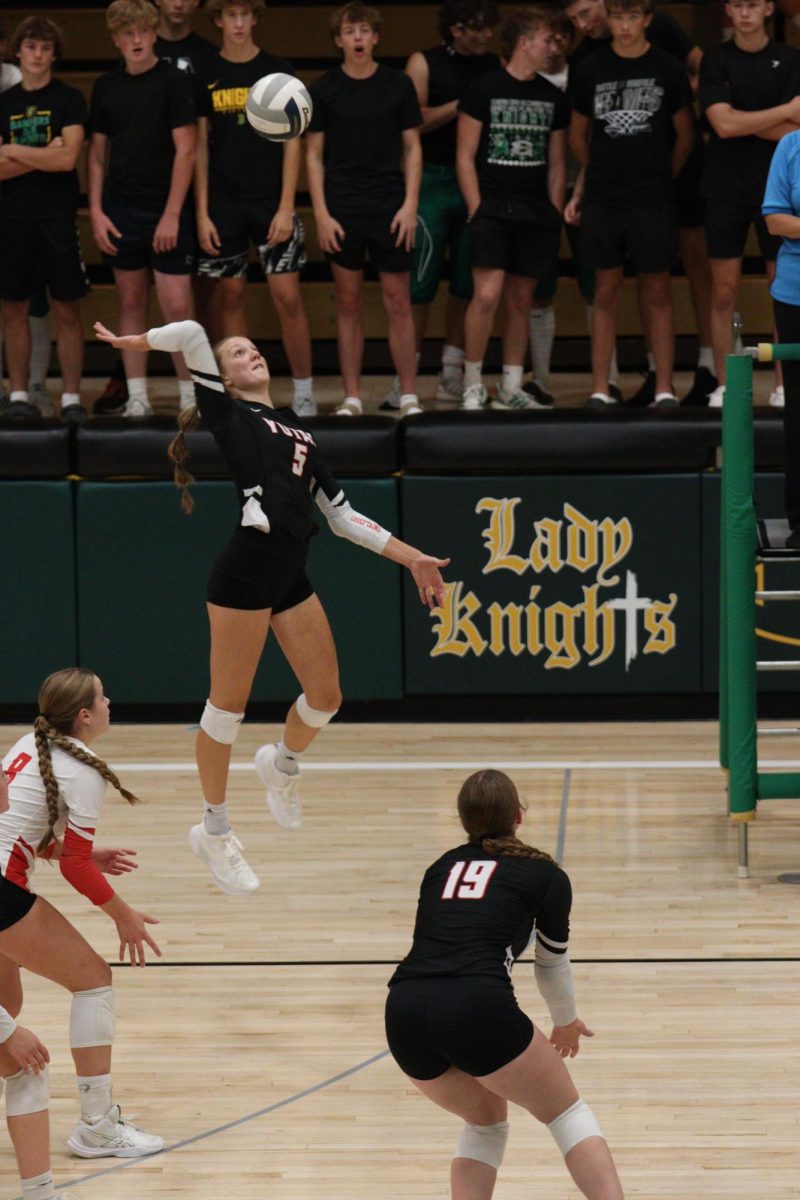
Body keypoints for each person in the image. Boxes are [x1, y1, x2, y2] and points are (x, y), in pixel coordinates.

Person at [93, 316, 449, 896]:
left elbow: (341, 516)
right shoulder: (228, 413)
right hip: (244, 573)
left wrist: (412, 558)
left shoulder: (298, 432)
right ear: (223, 378)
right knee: (226, 710)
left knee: (327, 697)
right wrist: (136, 344)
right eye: (237, 352)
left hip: (289, 573)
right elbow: (186, 333)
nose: (250, 354)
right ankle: (213, 830)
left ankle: (281, 764)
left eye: (254, 348)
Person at [385, 769, 624, 1200]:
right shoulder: (544, 875)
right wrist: (565, 1021)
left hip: (404, 1012)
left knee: (486, 1121)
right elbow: (551, 963)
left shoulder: (440, 868)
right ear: (518, 815)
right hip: (476, 1005)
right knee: (566, 1112)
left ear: (464, 821)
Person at [0, 667, 164, 1173]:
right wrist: (123, 916)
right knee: (93, 980)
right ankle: (97, 1126)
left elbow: (23, 833)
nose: (111, 700)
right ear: (85, 715)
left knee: (8, 1005)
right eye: (102, 696)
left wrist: (87, 855)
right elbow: (71, 864)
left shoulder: (28, 742)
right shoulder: (85, 768)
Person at [562, 0, 714, 407]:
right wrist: (599, 172)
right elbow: (577, 135)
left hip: (653, 196)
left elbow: (685, 134)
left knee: (657, 288)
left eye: (632, 17)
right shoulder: (591, 68)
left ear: (648, 20)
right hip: (605, 197)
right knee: (605, 289)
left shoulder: (666, 67)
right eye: (617, 17)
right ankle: (600, 386)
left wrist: (664, 175)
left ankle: (665, 387)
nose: (624, 26)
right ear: (608, 19)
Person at [195, 0, 317, 418]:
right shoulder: (205, 71)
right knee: (230, 296)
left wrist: (286, 206)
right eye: (231, 15)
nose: (239, 23)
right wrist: (202, 212)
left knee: (287, 297)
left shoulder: (278, 70)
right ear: (218, 21)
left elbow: (293, 141)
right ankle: (246, 396)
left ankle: (303, 392)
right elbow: (199, 147)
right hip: (224, 202)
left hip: (270, 201)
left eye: (246, 14)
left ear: (255, 19)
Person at [380, 0, 501, 411]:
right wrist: (465, 103)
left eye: (489, 28)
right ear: (455, 29)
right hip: (430, 178)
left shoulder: (493, 65)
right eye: (477, 28)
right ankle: (405, 377)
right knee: (419, 284)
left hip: (477, 177)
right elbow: (413, 121)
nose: (486, 35)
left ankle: (452, 371)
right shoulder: (423, 63)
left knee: (468, 281)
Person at [307, 3, 423, 418]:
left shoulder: (398, 85)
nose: (357, 38)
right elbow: (314, 154)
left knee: (397, 299)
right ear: (338, 40)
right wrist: (321, 213)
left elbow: (412, 147)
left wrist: (410, 204)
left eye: (364, 31)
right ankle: (352, 396)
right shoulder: (324, 90)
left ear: (375, 37)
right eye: (349, 31)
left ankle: (408, 394)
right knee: (349, 302)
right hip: (342, 206)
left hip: (390, 204)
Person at [88, 0, 197, 418]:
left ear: (154, 34)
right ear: (116, 39)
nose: (136, 40)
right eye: (127, 33)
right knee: (130, 301)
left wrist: (171, 213)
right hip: (120, 208)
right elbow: (97, 155)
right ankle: (137, 396)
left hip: (165, 208)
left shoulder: (173, 80)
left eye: (143, 32)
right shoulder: (106, 86)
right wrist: (96, 211)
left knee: (175, 306)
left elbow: (186, 150)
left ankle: (192, 396)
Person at [457, 5, 568, 412]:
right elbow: (465, 155)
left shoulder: (552, 96)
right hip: (492, 208)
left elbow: (557, 163)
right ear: (524, 42)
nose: (551, 47)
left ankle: (510, 385)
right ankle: (472, 382)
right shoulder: (483, 89)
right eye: (546, 40)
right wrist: (476, 207)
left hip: (535, 211)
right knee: (486, 295)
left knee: (522, 301)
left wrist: (553, 211)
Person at [700, 0, 800, 408]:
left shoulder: (790, 59)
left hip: (780, 186)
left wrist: (744, 120)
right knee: (723, 291)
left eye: (753, 5)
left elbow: (796, 130)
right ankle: (726, 383)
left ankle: (781, 384)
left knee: (782, 283)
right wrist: (781, 113)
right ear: (728, 10)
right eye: (738, 5)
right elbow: (722, 125)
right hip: (725, 186)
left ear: (768, 9)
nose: (745, 13)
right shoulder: (715, 60)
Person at [0, 16, 89, 424]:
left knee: (67, 310)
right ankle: (18, 394)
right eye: (31, 47)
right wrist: (44, 155)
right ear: (18, 51)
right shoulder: (4, 103)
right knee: (14, 307)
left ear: (55, 54)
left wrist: (14, 151)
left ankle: (71, 397)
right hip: (13, 217)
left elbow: (69, 158)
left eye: (46, 48)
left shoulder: (69, 99)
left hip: (58, 217)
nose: (38, 54)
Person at [763, 128, 800, 547]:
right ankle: (799, 518)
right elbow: (775, 220)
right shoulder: (790, 147)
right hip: (795, 297)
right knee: (799, 412)